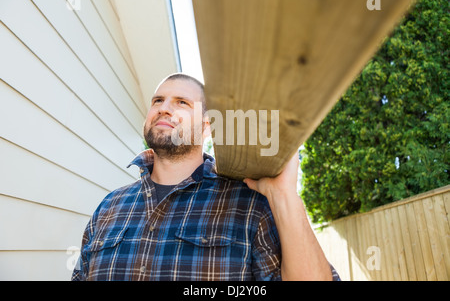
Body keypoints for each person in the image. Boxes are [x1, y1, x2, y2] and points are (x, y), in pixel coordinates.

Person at [71, 73, 339, 281]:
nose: (164, 108)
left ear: (207, 126)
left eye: (182, 103)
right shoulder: (108, 207)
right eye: (157, 100)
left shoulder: (247, 205)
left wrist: (284, 194)